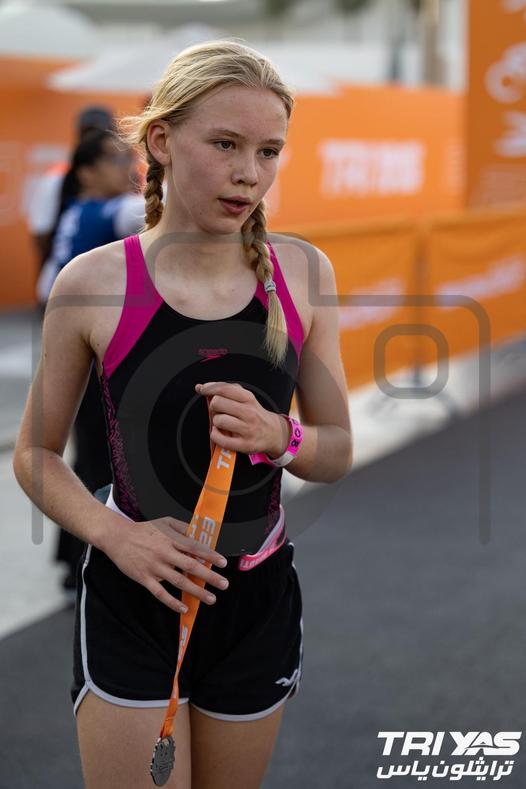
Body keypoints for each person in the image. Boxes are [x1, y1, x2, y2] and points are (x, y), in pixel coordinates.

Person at [13, 40, 352, 789]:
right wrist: (117, 536)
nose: (249, 172)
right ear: (162, 141)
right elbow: (34, 453)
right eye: (225, 144)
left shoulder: (303, 272)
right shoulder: (93, 282)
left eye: (268, 151)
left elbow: (335, 449)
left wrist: (281, 434)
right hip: (132, 597)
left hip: (255, 598)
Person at [36, 128, 145, 597]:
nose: (130, 169)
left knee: (88, 456)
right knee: (101, 458)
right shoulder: (108, 211)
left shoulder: (76, 211)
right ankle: (86, 563)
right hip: (95, 352)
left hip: (78, 344)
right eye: (117, 160)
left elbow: (44, 283)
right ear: (86, 172)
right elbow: (163, 209)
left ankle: (71, 560)